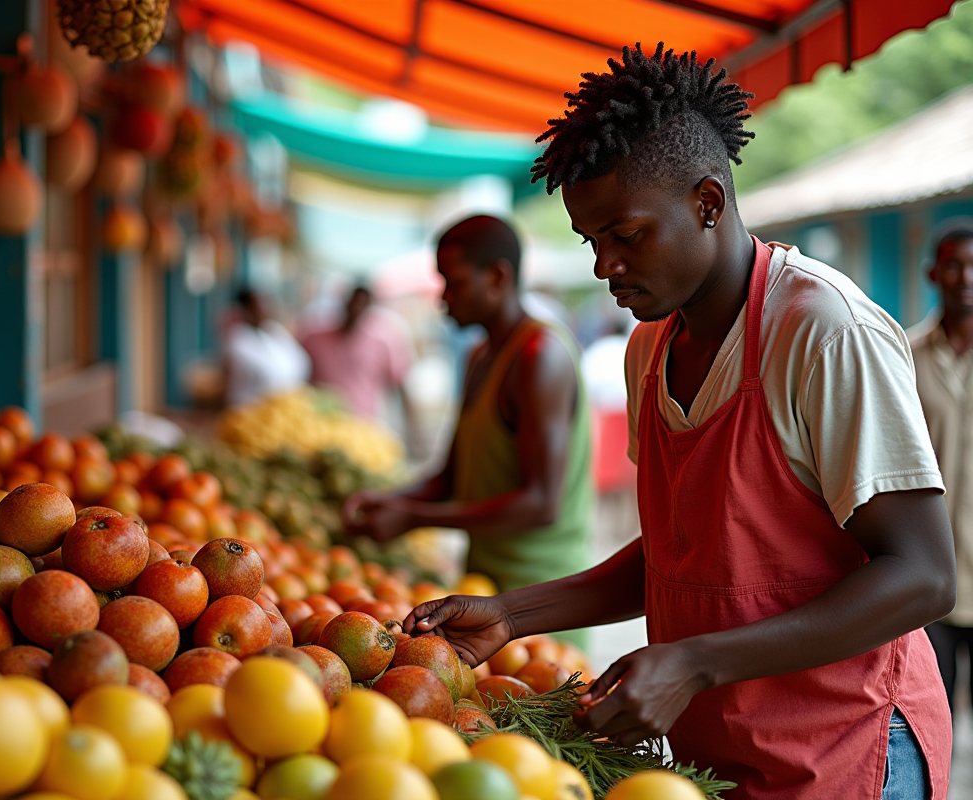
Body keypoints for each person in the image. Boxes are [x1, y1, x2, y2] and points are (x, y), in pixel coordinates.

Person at [404, 45, 955, 800]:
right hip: (719, 745)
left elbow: (923, 577)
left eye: (626, 235)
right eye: (591, 242)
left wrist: (696, 662)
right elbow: (686, 554)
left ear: (708, 202)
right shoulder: (649, 348)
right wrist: (512, 612)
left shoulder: (823, 332)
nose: (605, 266)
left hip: (848, 741)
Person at [344, 215, 595, 646]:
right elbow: (451, 477)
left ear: (497, 276)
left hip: (542, 603)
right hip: (483, 590)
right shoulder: (480, 357)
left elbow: (541, 504)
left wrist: (414, 518)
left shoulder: (540, 356)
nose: (444, 297)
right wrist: (391, 499)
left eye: (453, 281)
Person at [909, 220, 973, 721]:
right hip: (933, 579)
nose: (966, 277)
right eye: (955, 265)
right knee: (934, 723)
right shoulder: (903, 355)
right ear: (934, 273)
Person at [300, 285, 414, 424]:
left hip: (363, 426)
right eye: (353, 301)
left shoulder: (382, 341)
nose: (356, 307)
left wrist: (412, 424)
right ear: (344, 302)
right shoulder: (314, 338)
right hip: (319, 423)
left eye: (362, 303)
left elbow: (399, 383)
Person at [222, 288, 309, 407]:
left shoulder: (274, 330)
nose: (265, 308)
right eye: (259, 304)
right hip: (252, 411)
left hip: (286, 409)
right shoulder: (238, 339)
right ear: (246, 309)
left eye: (267, 303)